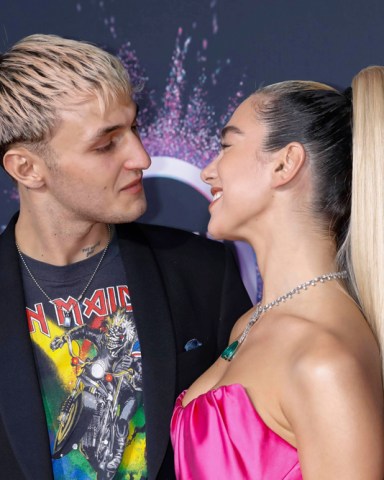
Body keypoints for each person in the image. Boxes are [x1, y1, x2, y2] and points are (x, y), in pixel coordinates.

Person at [0, 34, 252, 480]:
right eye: (106, 144)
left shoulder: (202, 271)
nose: (141, 156)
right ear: (27, 168)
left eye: (133, 129)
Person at [171, 73, 384, 479]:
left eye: (227, 146)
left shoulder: (322, 360)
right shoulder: (250, 324)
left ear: (285, 163)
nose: (207, 172)